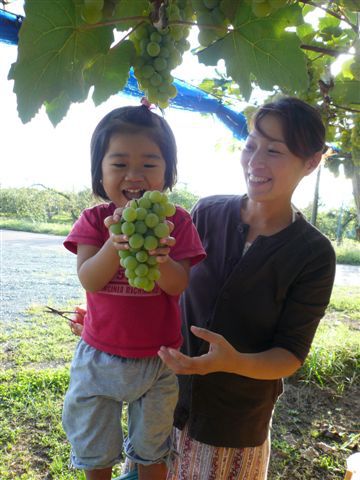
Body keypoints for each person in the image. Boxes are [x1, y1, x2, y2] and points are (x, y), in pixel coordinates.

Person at [157, 96, 336, 479]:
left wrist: (231, 361)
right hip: (162, 406)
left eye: (274, 151)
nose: (255, 162)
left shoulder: (314, 254)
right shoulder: (206, 212)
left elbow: (290, 353)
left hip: (233, 429)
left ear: (311, 162)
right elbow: (170, 287)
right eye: (252, 145)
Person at [62, 104, 206, 480]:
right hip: (98, 357)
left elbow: (178, 285)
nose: (134, 176)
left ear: (167, 171)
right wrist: (114, 243)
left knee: (152, 450)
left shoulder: (177, 222)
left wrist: (160, 259)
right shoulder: (93, 221)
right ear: (100, 170)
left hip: (158, 359)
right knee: (96, 453)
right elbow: (90, 279)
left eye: (149, 164)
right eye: (120, 164)